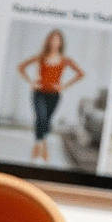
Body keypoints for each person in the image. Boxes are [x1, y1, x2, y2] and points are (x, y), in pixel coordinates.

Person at [17, 30, 85, 162]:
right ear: (48, 41)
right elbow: (21, 67)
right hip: (39, 93)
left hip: (54, 96)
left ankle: (37, 146)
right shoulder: (41, 57)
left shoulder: (65, 60)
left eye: (57, 39)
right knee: (40, 118)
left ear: (61, 42)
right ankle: (43, 148)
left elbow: (80, 74)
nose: (54, 42)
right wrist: (31, 82)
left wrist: (64, 86)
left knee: (46, 122)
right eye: (52, 39)